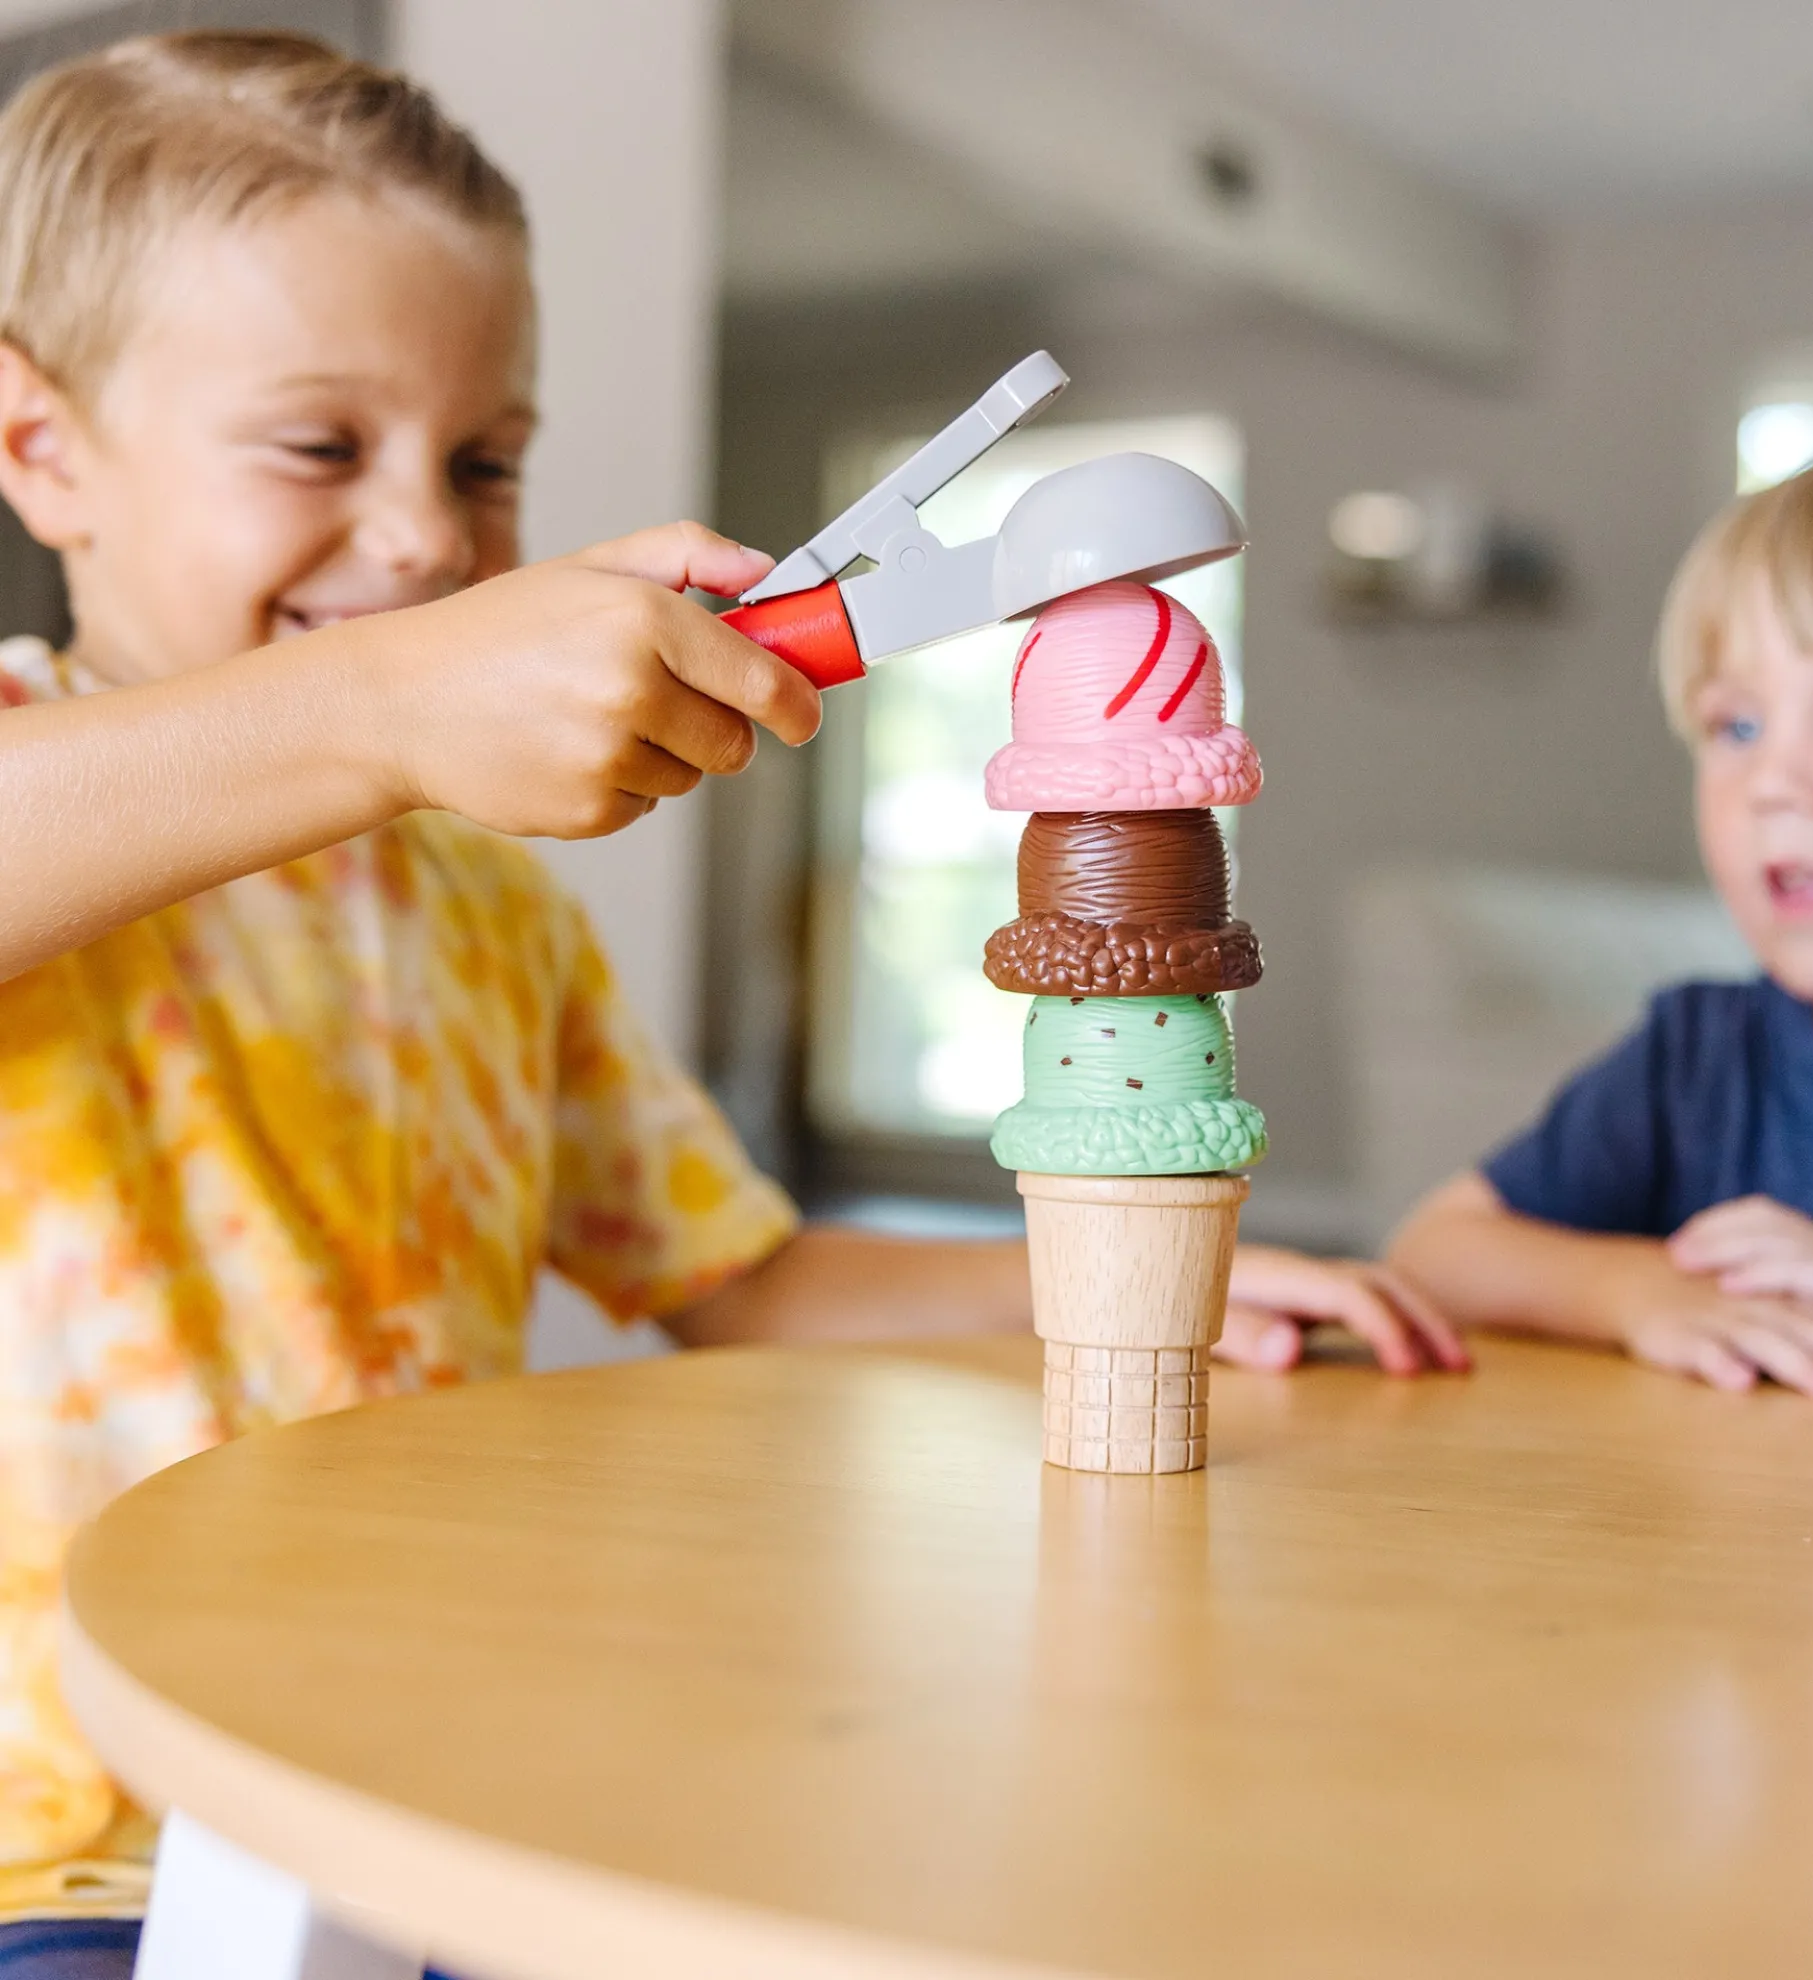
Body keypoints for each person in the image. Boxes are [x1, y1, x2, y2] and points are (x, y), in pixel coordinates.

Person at [0, 31, 1465, 1968]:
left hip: (428, 1804)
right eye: (322, 446)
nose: (433, 536)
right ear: (42, 453)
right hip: (80, 1864)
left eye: (487, 459)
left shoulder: (489, 917)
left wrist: (1101, 1287)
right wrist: (383, 709)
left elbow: (742, 1277)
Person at [1390, 434, 1813, 1400]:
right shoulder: (1700, 1060)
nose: (1774, 785)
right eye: (1735, 726)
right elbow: (1435, 1249)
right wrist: (1635, 1288)